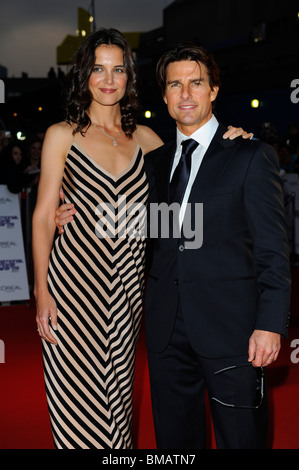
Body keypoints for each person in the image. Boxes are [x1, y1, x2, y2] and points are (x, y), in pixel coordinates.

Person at [45, 30, 251, 449]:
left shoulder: (149, 141)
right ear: (84, 74)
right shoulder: (62, 134)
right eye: (98, 68)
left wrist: (235, 140)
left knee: (119, 400)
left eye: (118, 68)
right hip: (73, 287)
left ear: (129, 77)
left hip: (127, 292)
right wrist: (40, 291)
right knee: (74, 402)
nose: (108, 78)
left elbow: (183, 191)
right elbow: (40, 216)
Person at [141, 44, 290, 449]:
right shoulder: (154, 162)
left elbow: (273, 250)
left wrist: (271, 323)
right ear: (165, 94)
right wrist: (66, 215)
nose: (186, 93)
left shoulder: (249, 155)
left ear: (214, 90)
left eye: (196, 82)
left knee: (242, 441)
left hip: (234, 330)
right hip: (166, 331)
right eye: (175, 84)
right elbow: (147, 234)